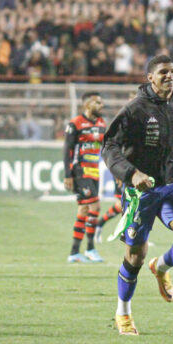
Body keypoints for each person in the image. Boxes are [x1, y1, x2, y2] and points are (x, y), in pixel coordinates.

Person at [102, 55, 173, 335]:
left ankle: (161, 267)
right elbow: (110, 146)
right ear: (150, 78)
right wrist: (131, 174)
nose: (170, 76)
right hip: (141, 191)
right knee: (135, 256)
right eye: (163, 72)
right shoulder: (135, 109)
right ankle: (123, 313)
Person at [63, 91, 107, 263]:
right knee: (95, 206)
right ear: (87, 105)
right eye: (98, 102)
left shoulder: (102, 123)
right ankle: (90, 248)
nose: (101, 105)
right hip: (80, 171)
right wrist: (68, 175)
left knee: (84, 210)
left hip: (94, 171)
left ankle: (74, 252)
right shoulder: (75, 123)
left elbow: (104, 148)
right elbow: (68, 149)